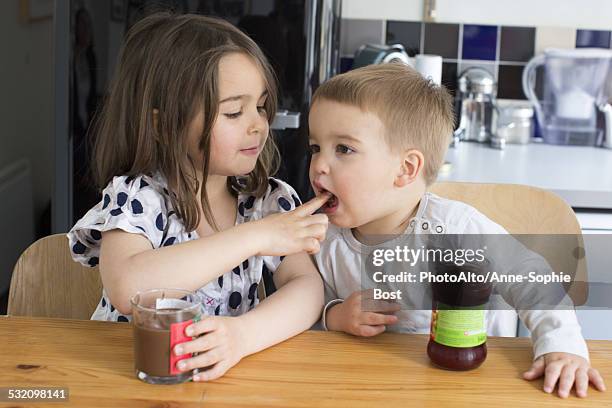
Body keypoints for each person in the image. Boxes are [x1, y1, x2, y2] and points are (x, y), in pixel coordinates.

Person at [308, 62, 606, 398]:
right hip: (365, 387)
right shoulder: (322, 239)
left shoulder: (456, 230)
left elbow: (532, 279)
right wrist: (335, 316)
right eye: (315, 147)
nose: (318, 164)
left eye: (343, 149)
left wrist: (562, 347)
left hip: (468, 387)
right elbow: (306, 312)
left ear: (406, 169)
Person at [67, 13, 330, 381]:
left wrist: (243, 336)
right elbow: (129, 287)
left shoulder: (266, 201)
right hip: (125, 379)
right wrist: (256, 237)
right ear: (163, 124)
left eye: (260, 106)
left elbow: (308, 289)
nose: (258, 124)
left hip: (218, 381)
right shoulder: (139, 198)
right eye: (235, 112)